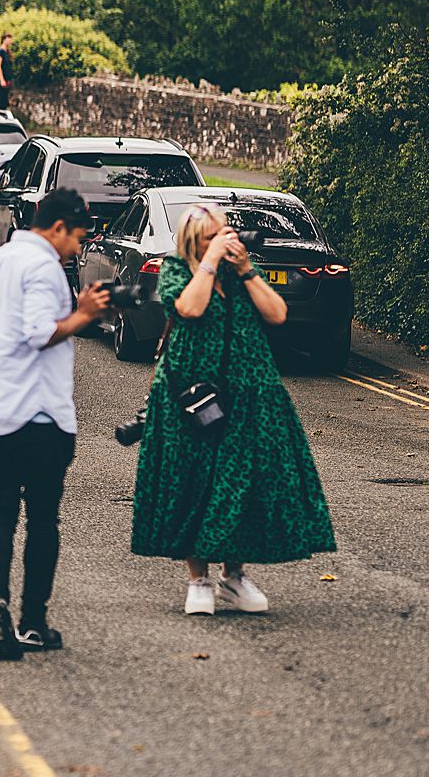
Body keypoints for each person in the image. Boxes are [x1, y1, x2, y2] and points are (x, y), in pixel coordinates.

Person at [131, 204, 335, 614]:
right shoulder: (176, 268)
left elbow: (277, 313)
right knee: (194, 482)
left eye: (226, 233)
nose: (226, 240)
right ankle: (198, 580)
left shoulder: (240, 269)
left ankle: (234, 575)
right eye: (213, 236)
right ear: (194, 242)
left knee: (243, 481)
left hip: (249, 390)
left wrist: (245, 269)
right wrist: (208, 262)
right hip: (192, 393)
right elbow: (189, 308)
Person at [0, 189, 112, 660]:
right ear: (56, 228)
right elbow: (38, 332)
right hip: (39, 416)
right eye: (78, 237)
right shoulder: (44, 266)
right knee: (43, 518)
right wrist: (85, 314)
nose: (79, 247)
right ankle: (31, 622)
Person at [0, 32, 14, 114]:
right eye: (9, 38)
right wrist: (2, 80)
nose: (10, 41)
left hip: (6, 80)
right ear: (4, 39)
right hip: (0, 80)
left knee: (4, 100)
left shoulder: (7, 53)